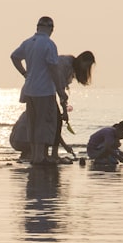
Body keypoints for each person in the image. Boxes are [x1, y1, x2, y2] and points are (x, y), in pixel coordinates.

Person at [10, 50, 95, 161]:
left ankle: (40, 154)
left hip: (39, 92)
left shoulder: (68, 65)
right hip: (42, 91)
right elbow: (59, 88)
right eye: (87, 65)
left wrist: (63, 109)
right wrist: (64, 111)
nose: (86, 69)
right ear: (82, 60)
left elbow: (60, 90)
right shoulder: (65, 64)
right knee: (55, 121)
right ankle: (52, 155)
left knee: (50, 122)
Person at [11, 16, 66, 165]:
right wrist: (61, 91)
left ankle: (35, 155)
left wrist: (24, 73)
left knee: (32, 123)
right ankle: (40, 157)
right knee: (43, 123)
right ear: (51, 29)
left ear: (37, 27)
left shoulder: (28, 42)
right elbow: (53, 69)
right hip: (44, 91)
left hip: (29, 89)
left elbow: (14, 57)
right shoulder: (49, 44)